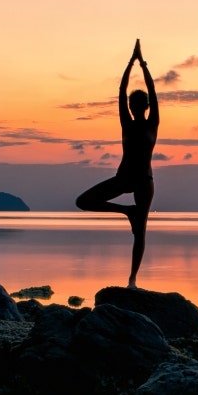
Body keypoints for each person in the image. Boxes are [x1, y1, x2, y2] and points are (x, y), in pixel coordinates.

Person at [76, 39, 159, 289]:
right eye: (132, 105)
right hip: (124, 177)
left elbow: (153, 93)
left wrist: (142, 64)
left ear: (144, 107)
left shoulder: (152, 123)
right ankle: (126, 211)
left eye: (138, 104)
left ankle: (132, 280)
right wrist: (129, 63)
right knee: (83, 201)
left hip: (144, 181)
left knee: (140, 233)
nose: (133, 107)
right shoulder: (126, 122)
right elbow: (121, 93)